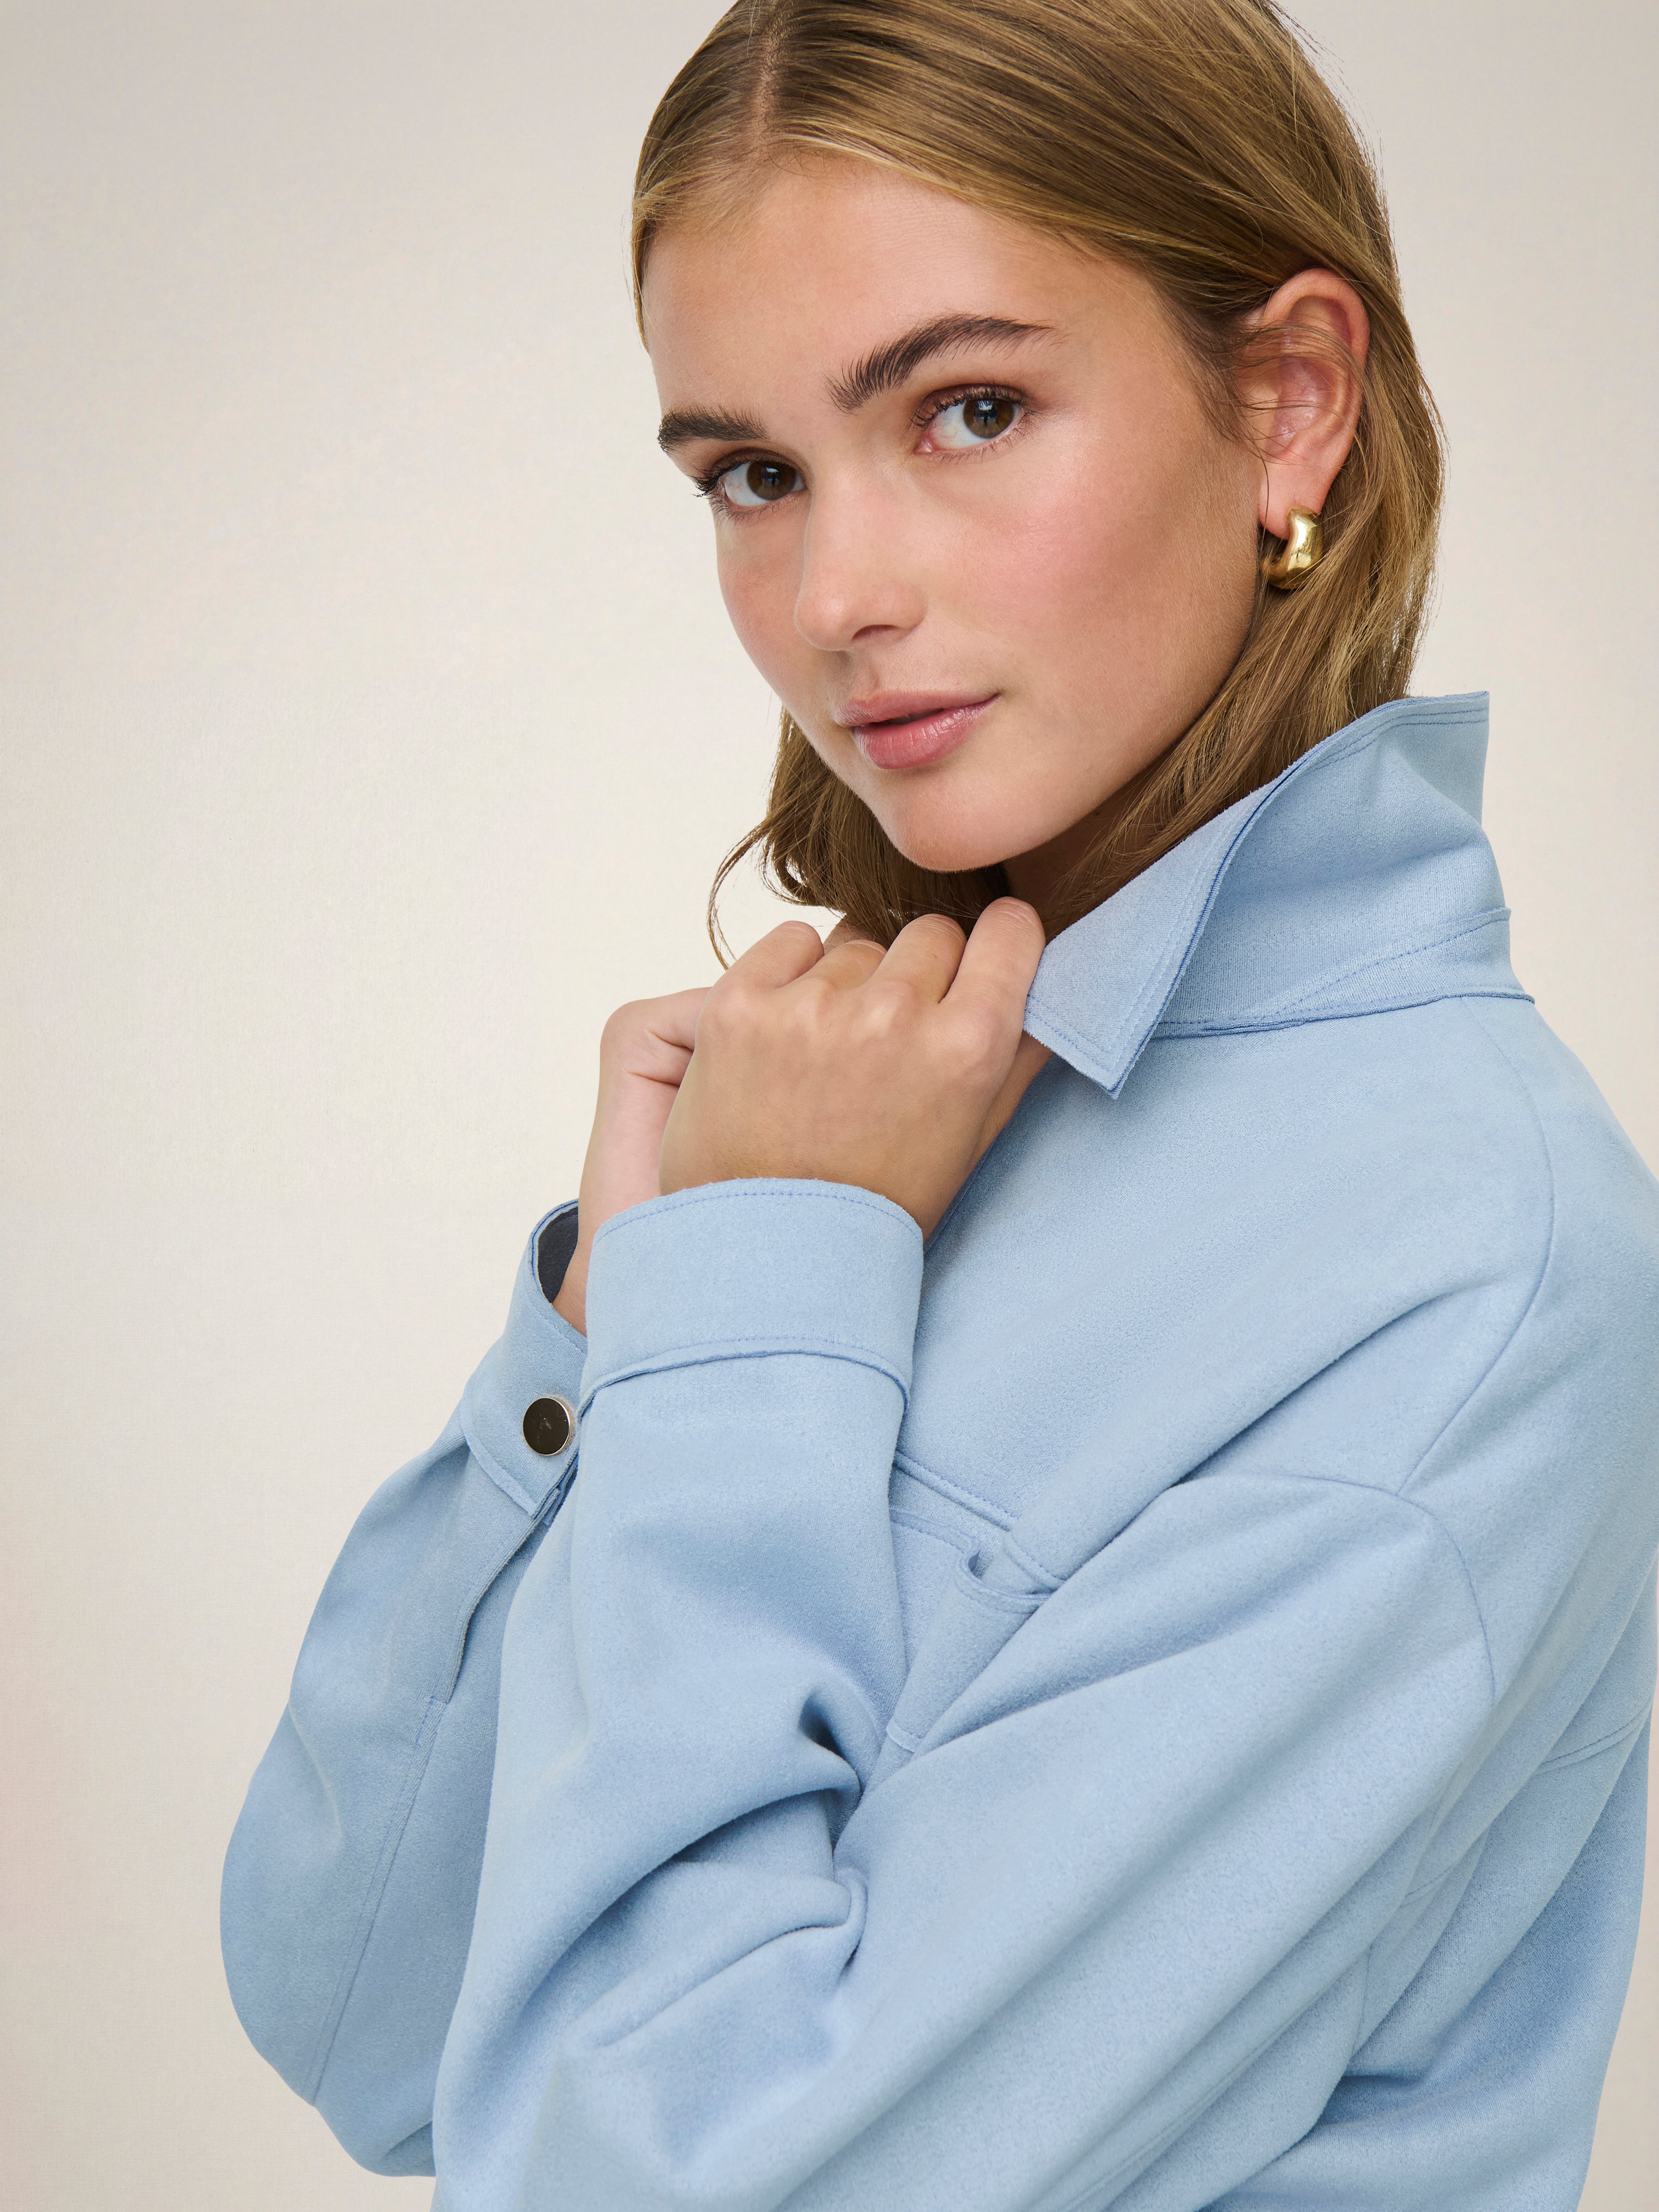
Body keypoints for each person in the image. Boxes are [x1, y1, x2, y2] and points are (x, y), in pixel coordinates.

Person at [221, 3, 1659, 2205]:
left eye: (970, 410)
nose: (836, 598)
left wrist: (760, 1304)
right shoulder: (859, 1116)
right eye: (754, 474)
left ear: (1288, 403)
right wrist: (626, 1315)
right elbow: (357, 2015)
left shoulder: (1468, 1268)